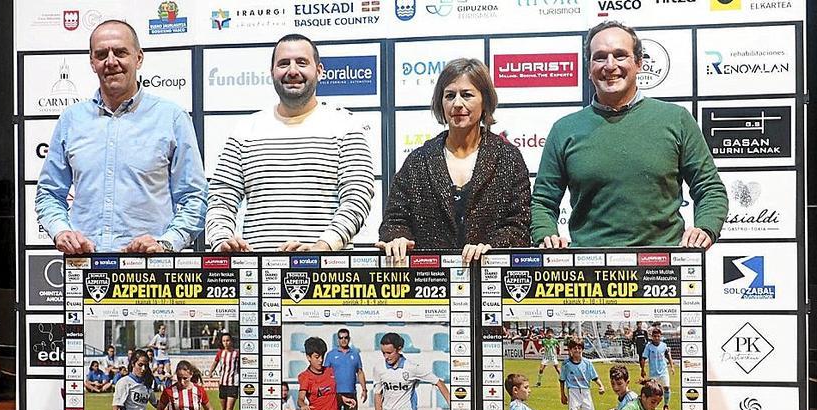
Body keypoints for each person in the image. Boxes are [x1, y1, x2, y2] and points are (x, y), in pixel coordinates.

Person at [531, 20, 727, 249]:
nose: (610, 65)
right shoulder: (564, 129)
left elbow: (710, 189)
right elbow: (543, 202)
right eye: (600, 57)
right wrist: (546, 235)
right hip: (588, 272)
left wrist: (705, 227)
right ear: (588, 69)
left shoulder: (677, 119)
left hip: (664, 269)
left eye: (620, 55)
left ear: (639, 63)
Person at [35, 19, 207, 254]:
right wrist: (61, 231)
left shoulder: (172, 118)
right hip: (85, 267)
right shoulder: (71, 119)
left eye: (121, 52)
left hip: (151, 270)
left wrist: (166, 244)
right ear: (92, 62)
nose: (111, 62)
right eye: (102, 54)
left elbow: (194, 197)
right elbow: (49, 193)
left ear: (139, 58)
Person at [206, 33, 374, 252]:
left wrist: (322, 247)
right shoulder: (245, 130)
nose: (292, 71)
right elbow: (221, 197)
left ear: (320, 71)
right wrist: (222, 242)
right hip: (258, 276)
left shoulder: (346, 126)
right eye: (283, 64)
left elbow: (357, 196)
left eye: (302, 63)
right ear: (272, 72)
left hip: (328, 273)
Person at [378, 58, 530, 263]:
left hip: (490, 279)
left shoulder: (508, 158)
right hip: (430, 283)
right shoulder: (418, 161)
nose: (457, 104)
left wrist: (493, 247)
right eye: (450, 95)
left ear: (484, 100)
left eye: (467, 95)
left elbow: (519, 224)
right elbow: (395, 220)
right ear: (441, 103)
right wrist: (397, 238)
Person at [559, 337, 604, 410]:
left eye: (579, 348)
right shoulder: (566, 364)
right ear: (570, 350)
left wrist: (601, 386)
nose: (577, 351)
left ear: (582, 350)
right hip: (573, 392)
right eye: (574, 348)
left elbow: (595, 377)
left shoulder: (588, 363)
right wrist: (562, 394)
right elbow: (562, 380)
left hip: (586, 392)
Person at [324, 328, 367, 410]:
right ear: (338, 339)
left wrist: (364, 389)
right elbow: (326, 373)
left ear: (349, 339)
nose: (343, 340)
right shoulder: (331, 355)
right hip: (334, 392)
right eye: (341, 337)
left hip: (350, 391)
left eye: (346, 337)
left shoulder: (355, 354)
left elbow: (359, 372)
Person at [207, 333, 240, 410]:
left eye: (228, 340)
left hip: (233, 384)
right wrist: (210, 372)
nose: (226, 343)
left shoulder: (237, 353)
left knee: (229, 409)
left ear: (231, 341)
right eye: (224, 341)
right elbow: (215, 363)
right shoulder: (220, 353)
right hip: (222, 384)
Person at [640, 327, 674, 410]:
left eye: (658, 336)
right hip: (653, 372)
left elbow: (668, 356)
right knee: (653, 391)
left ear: (660, 336)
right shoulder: (649, 346)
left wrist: (672, 366)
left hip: (663, 371)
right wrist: (642, 369)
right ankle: (653, 405)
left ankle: (666, 405)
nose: (657, 338)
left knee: (666, 387)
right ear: (652, 337)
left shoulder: (664, 345)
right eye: (655, 336)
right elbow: (643, 358)